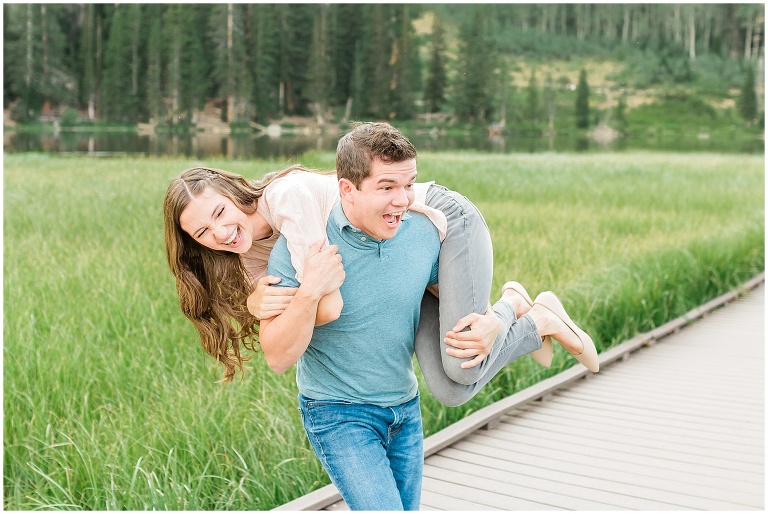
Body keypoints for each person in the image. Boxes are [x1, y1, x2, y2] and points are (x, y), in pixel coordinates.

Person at [168, 122, 594, 510]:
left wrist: (495, 320)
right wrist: (260, 302)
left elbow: (330, 302)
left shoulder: (291, 200)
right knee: (454, 383)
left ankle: (524, 312)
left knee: (461, 371)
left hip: (445, 216)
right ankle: (528, 315)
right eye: (203, 233)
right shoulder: (254, 253)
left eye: (220, 213)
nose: (220, 233)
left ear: (231, 191)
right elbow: (283, 340)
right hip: (339, 412)